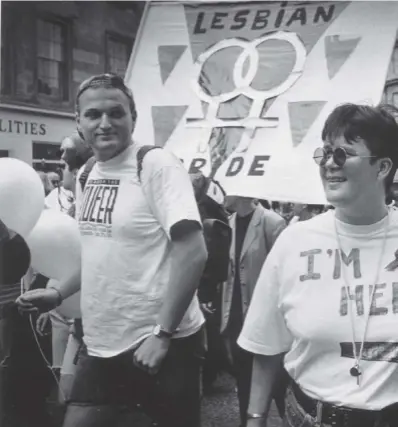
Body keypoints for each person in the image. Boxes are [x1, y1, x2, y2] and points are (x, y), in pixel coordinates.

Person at [17, 73, 207, 427]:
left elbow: (193, 252)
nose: (104, 123)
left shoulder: (156, 165)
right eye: (93, 115)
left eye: (116, 113)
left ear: (132, 117)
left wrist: (161, 334)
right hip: (101, 342)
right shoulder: (89, 172)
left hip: (161, 344)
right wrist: (58, 293)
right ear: (78, 122)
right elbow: (96, 255)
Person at [238, 103, 398, 427]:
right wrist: (254, 419)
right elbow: (266, 345)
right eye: (324, 153)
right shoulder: (294, 242)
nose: (328, 164)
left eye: (342, 154)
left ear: (382, 167)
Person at [37, 133, 93, 405]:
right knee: (66, 394)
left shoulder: (86, 191)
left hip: (90, 318)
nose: (59, 163)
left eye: (64, 156)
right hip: (72, 315)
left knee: (75, 398)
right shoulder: (66, 206)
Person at [221, 196, 287, 427]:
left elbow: (283, 272)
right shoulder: (227, 223)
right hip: (235, 316)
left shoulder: (271, 222)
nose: (223, 194)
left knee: (276, 383)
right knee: (244, 380)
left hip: (264, 315)